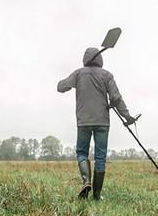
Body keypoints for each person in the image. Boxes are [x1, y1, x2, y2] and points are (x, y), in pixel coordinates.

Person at [57, 46, 136, 200]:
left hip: (83, 122)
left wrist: (64, 81)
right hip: (102, 123)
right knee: (100, 157)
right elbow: (116, 98)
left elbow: (61, 87)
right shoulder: (107, 75)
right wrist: (127, 116)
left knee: (81, 153)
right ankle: (97, 195)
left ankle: (86, 181)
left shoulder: (78, 73)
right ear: (100, 60)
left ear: (85, 59)